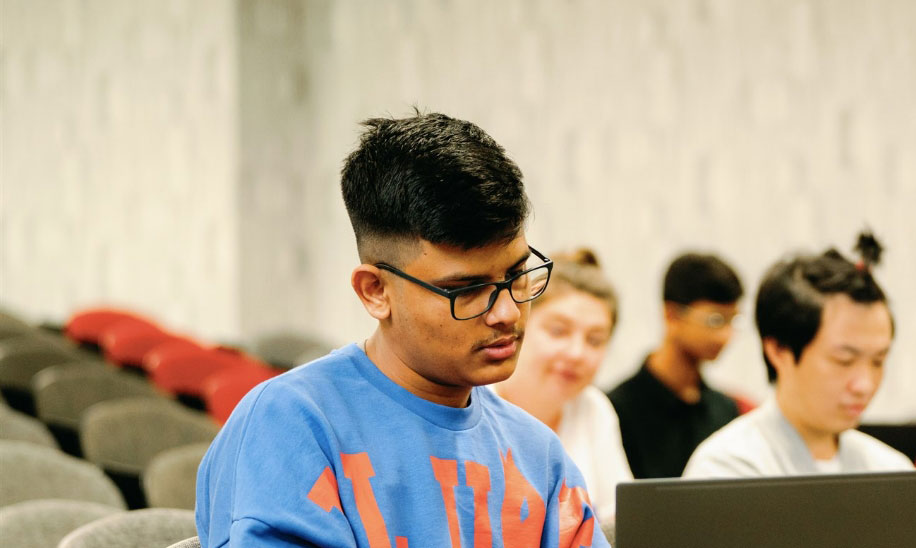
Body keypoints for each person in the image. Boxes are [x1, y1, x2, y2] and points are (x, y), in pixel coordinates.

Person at [196, 113, 608, 548]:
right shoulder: (292, 425)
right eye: (467, 289)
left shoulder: (536, 452)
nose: (506, 312)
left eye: (517, 274)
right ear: (375, 291)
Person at [683, 232, 912, 478]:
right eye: (844, 360)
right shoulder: (728, 469)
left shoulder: (891, 469)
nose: (864, 385)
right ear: (779, 351)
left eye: (878, 361)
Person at [493, 249, 632, 532]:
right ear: (520, 326)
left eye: (595, 340)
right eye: (558, 331)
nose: (576, 353)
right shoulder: (475, 403)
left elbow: (622, 521)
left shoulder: (594, 408)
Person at [607, 252, 744, 479]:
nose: (726, 336)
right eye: (716, 320)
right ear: (671, 315)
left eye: (733, 320)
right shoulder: (616, 409)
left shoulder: (726, 410)